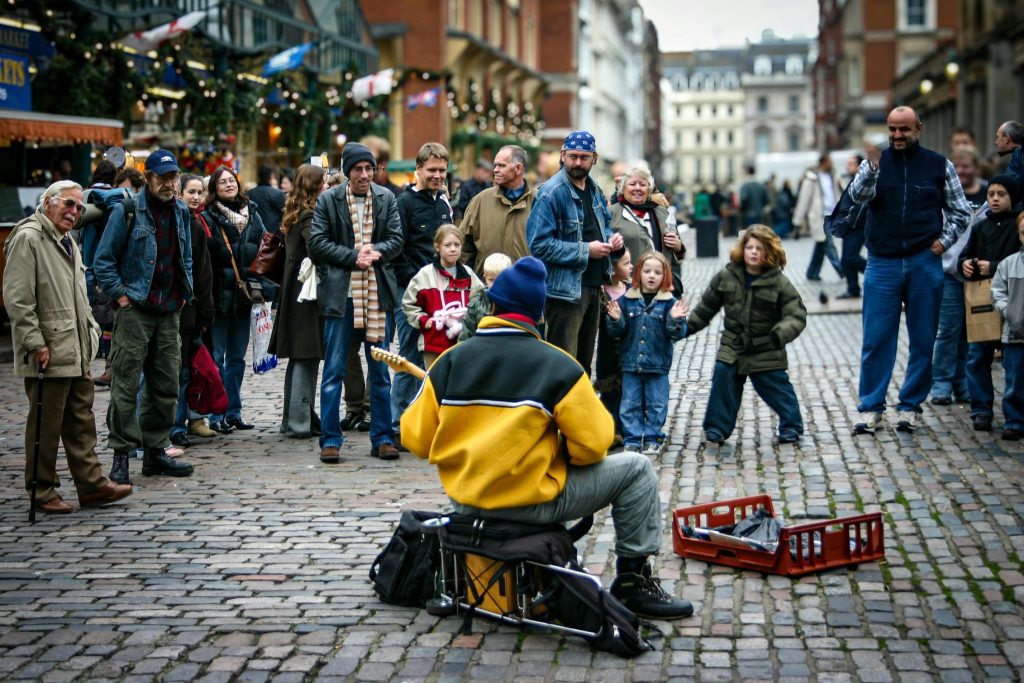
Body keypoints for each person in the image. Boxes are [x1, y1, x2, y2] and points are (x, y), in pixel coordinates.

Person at [400, 255, 694, 620]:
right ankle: (634, 582)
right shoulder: (559, 365)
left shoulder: (449, 361)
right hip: (531, 503)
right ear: (538, 315)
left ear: (493, 305)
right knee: (637, 469)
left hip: (467, 502)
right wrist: (562, 454)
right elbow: (595, 443)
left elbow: (415, 438)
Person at [3, 181, 133, 513]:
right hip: (48, 347)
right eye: (68, 204)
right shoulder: (29, 238)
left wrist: (90, 334)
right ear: (47, 202)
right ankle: (42, 490)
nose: (74, 211)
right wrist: (35, 343)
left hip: (74, 346)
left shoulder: (66, 239)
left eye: (78, 206)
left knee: (80, 421)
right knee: (45, 425)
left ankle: (91, 485)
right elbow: (18, 300)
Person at [847, 106, 973, 434]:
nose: (897, 135)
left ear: (919, 128)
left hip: (923, 261)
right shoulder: (875, 163)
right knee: (876, 339)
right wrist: (873, 167)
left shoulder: (939, 165)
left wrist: (943, 242)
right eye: (892, 129)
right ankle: (871, 407)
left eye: (904, 129)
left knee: (923, 339)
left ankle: (910, 406)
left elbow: (961, 211)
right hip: (882, 262)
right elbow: (857, 198)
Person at [93, 149, 195, 483]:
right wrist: (121, 296)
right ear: (148, 178)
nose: (169, 184)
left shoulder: (180, 210)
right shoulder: (126, 210)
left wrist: (184, 293)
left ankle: (155, 451)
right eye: (163, 178)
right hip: (136, 309)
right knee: (125, 383)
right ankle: (121, 454)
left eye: (173, 177)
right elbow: (103, 261)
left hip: (168, 311)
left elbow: (185, 256)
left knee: (165, 385)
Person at [308, 142, 404, 463]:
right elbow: (317, 244)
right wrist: (353, 257)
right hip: (341, 296)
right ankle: (330, 439)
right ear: (347, 171)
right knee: (334, 370)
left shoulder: (386, 198)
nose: (364, 175)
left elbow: (396, 239)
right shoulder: (328, 200)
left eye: (369, 169)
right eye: (358, 169)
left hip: (377, 296)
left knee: (380, 371)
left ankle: (383, 437)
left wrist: (374, 252)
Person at [685, 226, 807, 445]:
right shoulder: (726, 276)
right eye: (750, 247)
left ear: (769, 252)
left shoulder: (779, 282)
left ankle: (791, 425)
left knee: (775, 386)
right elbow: (706, 308)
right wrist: (685, 328)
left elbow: (796, 315)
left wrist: (780, 334)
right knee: (723, 375)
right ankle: (717, 427)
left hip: (765, 345)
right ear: (742, 249)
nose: (753, 252)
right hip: (733, 344)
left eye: (759, 248)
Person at [527, 130, 624, 375]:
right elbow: (539, 245)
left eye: (584, 157)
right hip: (564, 293)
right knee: (563, 366)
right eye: (573, 156)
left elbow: (603, 224)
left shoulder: (594, 189)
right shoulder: (551, 193)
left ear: (594, 159)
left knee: (583, 365)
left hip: (593, 286)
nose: (578, 162)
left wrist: (612, 240)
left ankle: (580, 401)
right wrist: (586, 250)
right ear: (563, 155)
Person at [202, 165, 273, 434]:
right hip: (219, 296)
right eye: (222, 182)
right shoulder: (209, 217)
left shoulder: (252, 212)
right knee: (216, 357)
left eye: (231, 180)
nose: (229, 185)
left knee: (237, 358)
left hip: (245, 297)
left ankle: (234, 411)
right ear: (214, 188)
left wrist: (262, 284)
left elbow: (265, 247)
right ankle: (216, 413)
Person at [392, 143, 454, 437]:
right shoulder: (404, 203)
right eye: (432, 170)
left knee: (436, 357)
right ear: (418, 169)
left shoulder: (443, 203)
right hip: (413, 293)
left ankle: (425, 423)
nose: (437, 175)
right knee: (409, 357)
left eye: (442, 170)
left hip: (442, 293)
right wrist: (417, 282)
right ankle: (398, 424)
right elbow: (398, 249)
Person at [605, 251, 687, 454]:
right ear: (638, 273)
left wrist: (675, 319)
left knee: (657, 404)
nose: (652, 276)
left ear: (665, 276)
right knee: (630, 403)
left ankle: (653, 437)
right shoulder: (626, 300)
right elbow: (617, 332)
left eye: (657, 272)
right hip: (631, 363)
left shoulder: (670, 303)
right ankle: (632, 438)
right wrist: (616, 319)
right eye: (647, 271)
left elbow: (676, 334)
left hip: (658, 364)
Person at [958, 175, 1022, 432]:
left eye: (1001, 194)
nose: (995, 199)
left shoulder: (1018, 225)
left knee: (1013, 362)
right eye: (991, 194)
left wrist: (993, 267)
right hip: (983, 302)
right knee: (977, 357)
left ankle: (1015, 416)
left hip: (1014, 301)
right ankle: (981, 409)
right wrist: (965, 264)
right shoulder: (980, 227)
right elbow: (966, 256)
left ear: (1012, 197)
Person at [268, 164, 327, 439]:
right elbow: (317, 248)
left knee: (300, 356)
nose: (326, 186)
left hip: (295, 289)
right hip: (305, 293)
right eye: (323, 182)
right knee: (306, 353)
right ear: (314, 185)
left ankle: (294, 418)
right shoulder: (309, 214)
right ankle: (300, 421)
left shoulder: (295, 210)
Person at [931, 147, 988, 405]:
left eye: (967, 166)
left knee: (969, 332)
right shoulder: (945, 194)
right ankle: (941, 382)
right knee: (948, 330)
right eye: (959, 167)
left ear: (975, 167)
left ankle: (962, 382)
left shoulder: (989, 194)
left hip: (977, 275)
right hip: (949, 272)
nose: (963, 171)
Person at [169, 174, 216, 448]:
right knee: (173, 372)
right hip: (172, 308)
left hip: (192, 312)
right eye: (191, 192)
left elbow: (203, 274)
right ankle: (168, 426)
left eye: (200, 192)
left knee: (186, 370)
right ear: (179, 193)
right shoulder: (174, 221)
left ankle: (180, 425)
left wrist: (205, 312)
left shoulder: (197, 225)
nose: (196, 197)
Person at [402, 224, 483, 368]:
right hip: (433, 344)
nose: (453, 249)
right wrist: (424, 321)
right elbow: (408, 303)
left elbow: (481, 302)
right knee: (434, 380)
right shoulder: (425, 274)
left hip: (463, 345)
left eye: (457, 245)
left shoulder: (469, 274)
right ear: (437, 247)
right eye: (447, 245)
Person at [610, 164, 685, 294]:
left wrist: (678, 247)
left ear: (649, 189)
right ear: (623, 188)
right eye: (632, 184)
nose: (637, 188)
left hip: (663, 287)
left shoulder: (662, 212)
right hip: (629, 288)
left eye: (642, 184)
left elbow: (679, 252)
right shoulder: (611, 213)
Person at [459, 145, 535, 273]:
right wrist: (469, 279)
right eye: (495, 165)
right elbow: (463, 247)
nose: (495, 170)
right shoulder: (481, 200)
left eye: (501, 165)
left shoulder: (539, 202)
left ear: (518, 168)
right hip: (485, 283)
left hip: (526, 283)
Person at [989, 212, 1024, 440]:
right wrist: (1010, 311)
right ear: (1019, 235)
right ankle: (1014, 421)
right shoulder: (1009, 264)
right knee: (1014, 380)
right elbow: (997, 293)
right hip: (1015, 334)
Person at [793, 154, 843, 282]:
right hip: (819, 218)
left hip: (832, 215)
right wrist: (797, 221)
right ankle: (843, 272)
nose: (832, 164)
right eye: (830, 161)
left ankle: (812, 272)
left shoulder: (833, 176)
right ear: (823, 162)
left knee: (820, 246)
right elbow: (803, 200)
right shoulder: (811, 179)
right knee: (829, 246)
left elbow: (837, 195)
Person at [460, 252, 512, 341]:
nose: (496, 284)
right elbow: (466, 334)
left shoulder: (516, 302)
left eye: (500, 279)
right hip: (481, 347)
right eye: (491, 280)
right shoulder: (476, 302)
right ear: (485, 278)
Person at [838, 154, 868, 298]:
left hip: (858, 225)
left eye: (851, 164)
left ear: (859, 166)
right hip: (848, 225)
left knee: (850, 257)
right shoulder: (850, 180)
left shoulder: (863, 180)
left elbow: (860, 205)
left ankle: (875, 272)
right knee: (846, 258)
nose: (847, 166)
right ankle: (853, 289)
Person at [247, 164, 286, 234]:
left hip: (255, 234)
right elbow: (284, 216)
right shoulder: (278, 193)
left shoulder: (249, 193)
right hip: (274, 235)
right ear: (271, 176)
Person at [739, 164, 771, 230]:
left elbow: (743, 199)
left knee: (749, 232)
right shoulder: (760, 186)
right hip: (759, 213)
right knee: (757, 232)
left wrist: (742, 209)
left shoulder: (745, 186)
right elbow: (766, 200)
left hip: (748, 213)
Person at [995, 121, 1023, 186]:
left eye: (998, 137)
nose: (996, 142)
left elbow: (1009, 185)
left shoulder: (1016, 156)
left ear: (1006, 139)